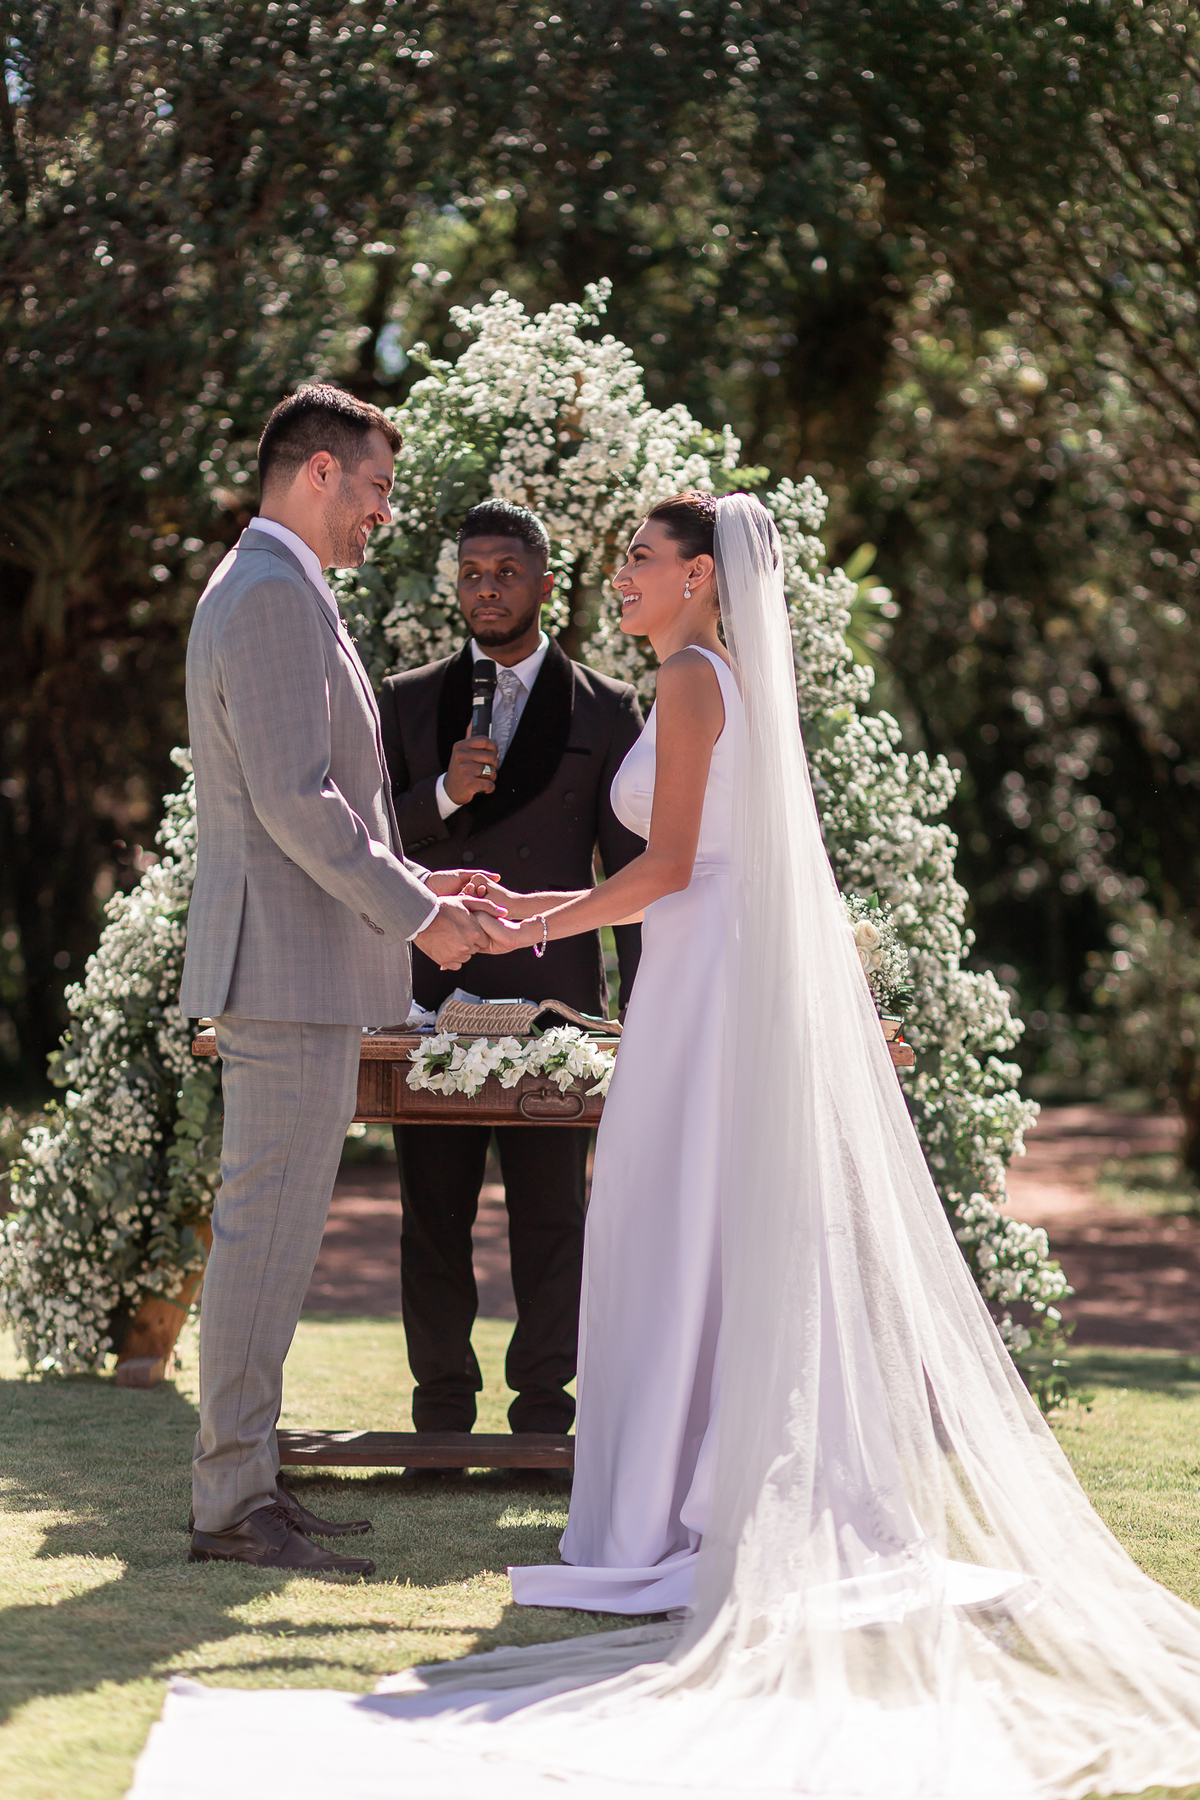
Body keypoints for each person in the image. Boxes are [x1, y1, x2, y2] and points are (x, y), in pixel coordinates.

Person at [144, 492, 1200, 1796]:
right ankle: (664, 1498)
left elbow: (673, 865)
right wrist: (543, 902)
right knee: (668, 1233)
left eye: (640, 561)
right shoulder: (694, 682)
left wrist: (541, 914)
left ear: (702, 577)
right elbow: (673, 870)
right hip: (691, 985)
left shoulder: (695, 685)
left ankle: (665, 1510)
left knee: (666, 1230)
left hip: (699, 992)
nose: (621, 579)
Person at [179, 384, 511, 1575]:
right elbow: (296, 799)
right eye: (372, 486)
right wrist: (422, 915)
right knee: (263, 1239)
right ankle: (231, 1507)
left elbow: (337, 804)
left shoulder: (278, 588)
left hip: (294, 969)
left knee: (271, 1238)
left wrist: (431, 892)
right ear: (317, 471)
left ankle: (251, 1485)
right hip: (283, 972)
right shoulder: (268, 593)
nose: (381, 512)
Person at [377, 500, 644, 1441]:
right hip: (437, 997)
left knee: (552, 1220)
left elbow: (633, 875)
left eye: (504, 572)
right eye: (471, 574)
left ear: (544, 583)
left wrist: (645, 1017)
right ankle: (441, 1415)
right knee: (433, 1217)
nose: (486, 589)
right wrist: (448, 791)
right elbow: (365, 849)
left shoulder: (609, 709)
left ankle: (542, 1415)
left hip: (557, 999)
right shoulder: (407, 699)